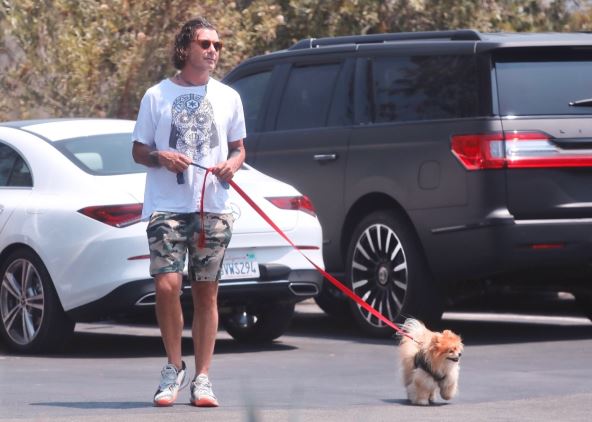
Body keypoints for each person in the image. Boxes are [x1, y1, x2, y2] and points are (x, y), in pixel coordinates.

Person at [131, 17, 246, 408]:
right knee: (167, 285)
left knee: (206, 293)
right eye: (205, 43)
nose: (213, 51)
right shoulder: (156, 96)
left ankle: (203, 378)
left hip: (212, 206)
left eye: (217, 45)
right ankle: (173, 367)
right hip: (167, 206)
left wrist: (232, 164)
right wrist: (160, 157)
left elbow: (239, 148)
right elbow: (138, 150)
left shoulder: (229, 97)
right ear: (185, 49)